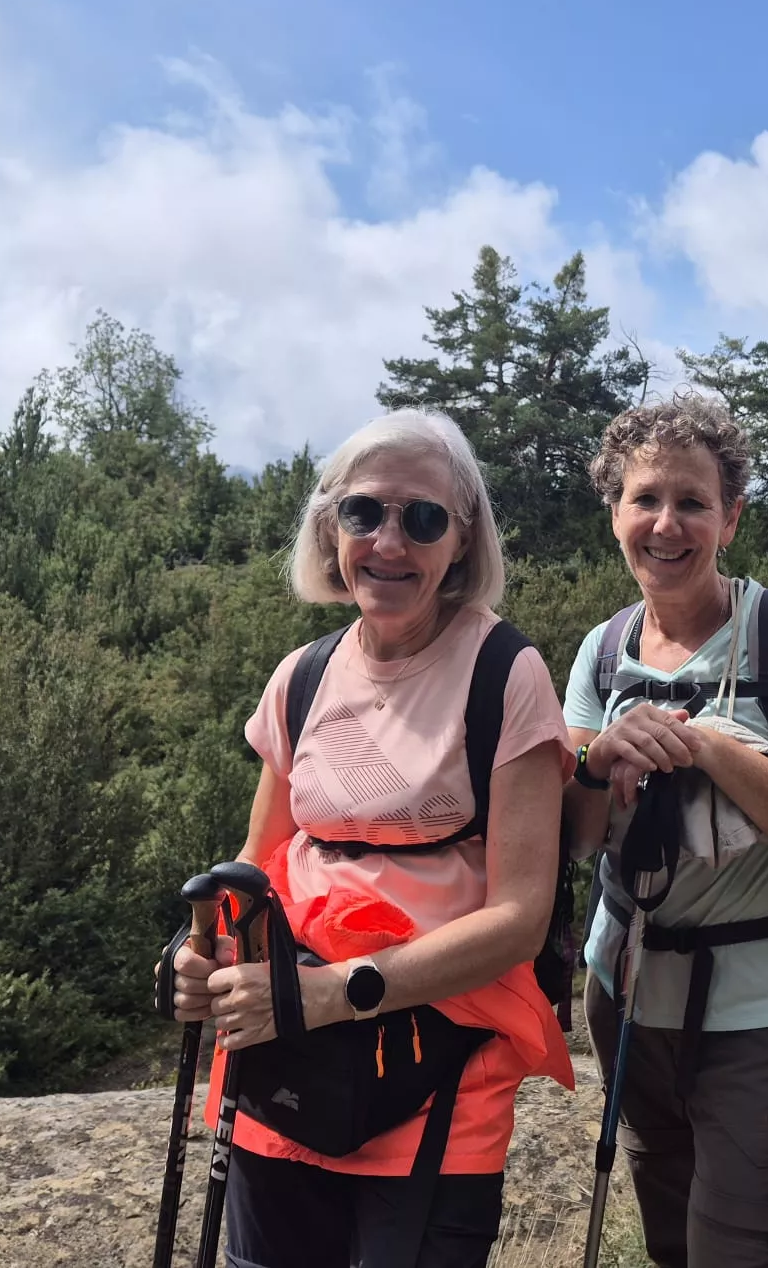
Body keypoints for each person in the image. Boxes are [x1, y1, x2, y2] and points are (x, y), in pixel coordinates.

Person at [167, 409, 574, 1268]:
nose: (389, 540)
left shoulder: (505, 672)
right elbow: (258, 874)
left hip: (435, 1078)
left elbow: (519, 918)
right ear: (330, 526)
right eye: (364, 512)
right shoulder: (303, 675)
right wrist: (201, 955)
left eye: (423, 518)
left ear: (461, 542)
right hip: (285, 1071)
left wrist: (325, 995)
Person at [562, 393, 768, 1268]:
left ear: (730, 517)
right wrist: (592, 763)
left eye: (693, 502)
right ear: (615, 512)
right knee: (670, 1243)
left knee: (742, 1248)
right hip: (626, 994)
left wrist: (705, 748)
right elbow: (579, 840)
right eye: (645, 499)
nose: (667, 524)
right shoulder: (602, 649)